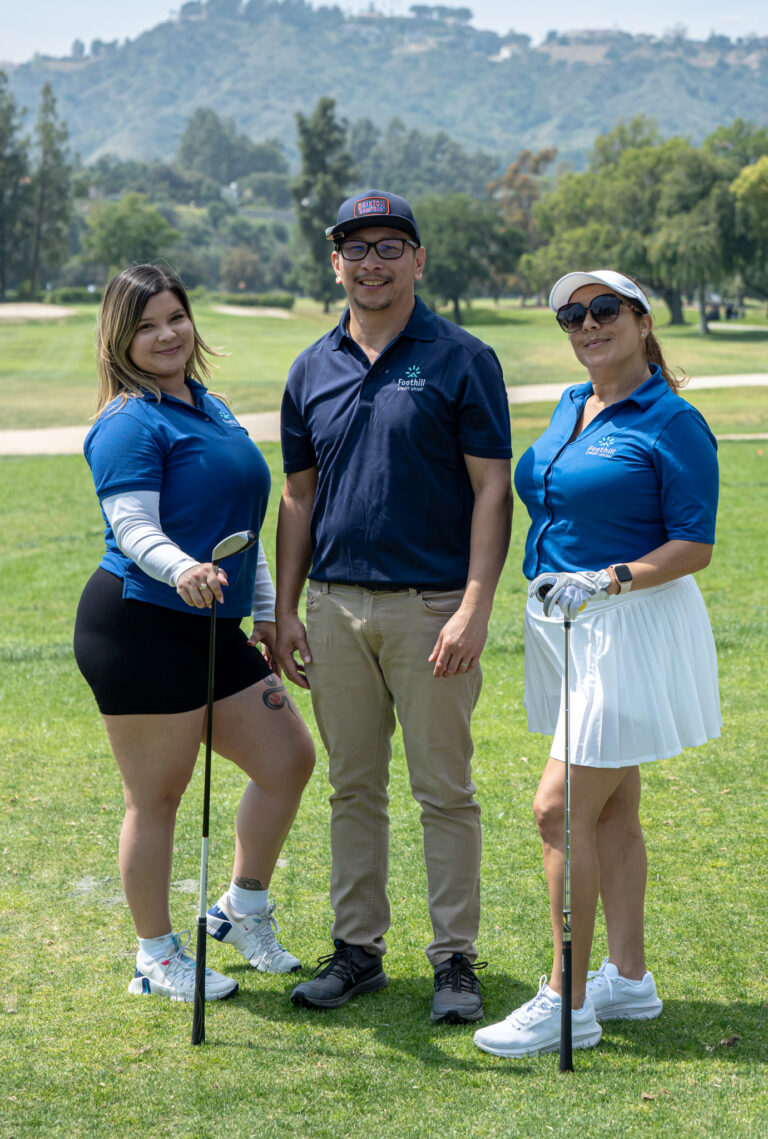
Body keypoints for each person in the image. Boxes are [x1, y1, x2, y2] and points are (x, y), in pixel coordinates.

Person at [275, 191, 513, 1022]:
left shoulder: (461, 357)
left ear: (417, 260)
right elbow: (298, 499)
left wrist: (476, 604)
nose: (371, 263)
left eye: (389, 246)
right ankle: (358, 950)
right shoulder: (310, 368)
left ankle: (454, 959)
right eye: (355, 248)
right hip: (335, 609)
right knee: (352, 788)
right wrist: (286, 607)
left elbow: (492, 488)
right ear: (334, 264)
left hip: (432, 607)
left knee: (444, 790)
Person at [473, 269, 721, 1058]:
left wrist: (607, 577)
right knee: (611, 805)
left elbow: (696, 543)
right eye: (572, 315)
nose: (587, 324)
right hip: (566, 623)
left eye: (604, 309)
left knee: (559, 807)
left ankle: (567, 999)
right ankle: (632, 978)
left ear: (643, 320)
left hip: (629, 622)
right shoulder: (570, 406)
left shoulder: (673, 420)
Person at [73, 264, 315, 1004]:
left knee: (288, 759)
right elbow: (133, 525)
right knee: (159, 796)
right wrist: (181, 567)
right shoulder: (126, 423)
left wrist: (269, 610)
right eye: (145, 325)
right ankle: (157, 955)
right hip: (141, 624)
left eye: (174, 317)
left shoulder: (210, 408)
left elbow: (240, 531)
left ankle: (241, 908)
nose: (166, 334)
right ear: (121, 337)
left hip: (216, 621)